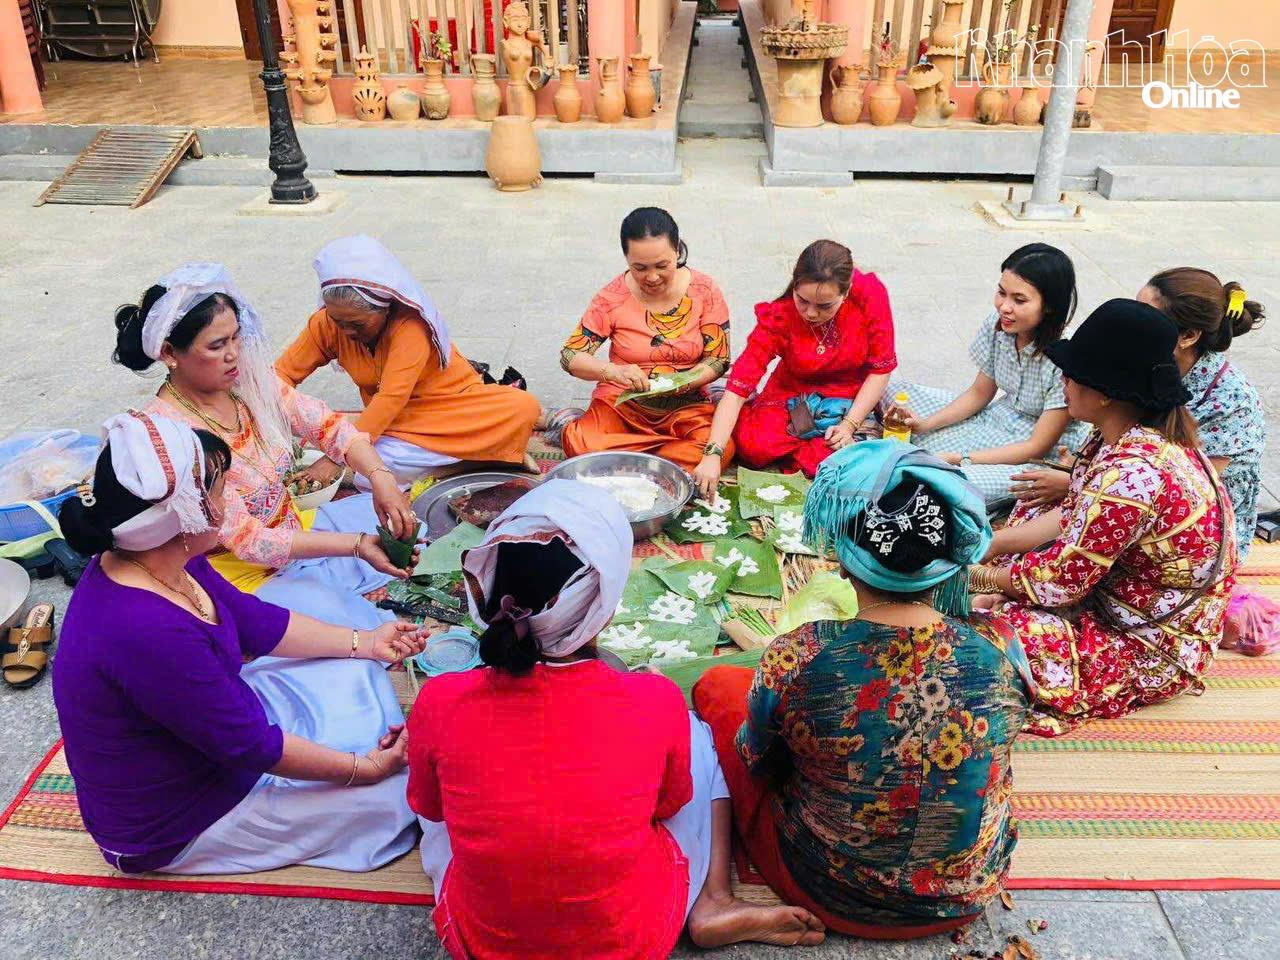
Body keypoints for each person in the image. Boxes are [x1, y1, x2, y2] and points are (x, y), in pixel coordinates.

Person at [407, 480, 825, 959]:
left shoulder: (439, 700)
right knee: (695, 732)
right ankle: (713, 899)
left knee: (437, 799)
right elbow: (668, 806)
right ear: (603, 610)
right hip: (630, 938)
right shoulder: (654, 699)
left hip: (485, 942)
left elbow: (433, 808)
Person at [53, 411, 426, 875]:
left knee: (343, 654)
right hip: (179, 819)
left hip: (215, 741)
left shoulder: (166, 555)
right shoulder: (145, 628)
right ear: (183, 512)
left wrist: (367, 642)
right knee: (395, 800)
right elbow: (250, 745)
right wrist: (363, 769)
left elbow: (250, 619)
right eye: (217, 488)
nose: (230, 499)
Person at [692, 441, 1033, 936]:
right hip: (964, 896)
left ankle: (713, 892)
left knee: (719, 688)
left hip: (830, 892)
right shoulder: (1000, 641)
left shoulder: (797, 655)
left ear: (843, 563)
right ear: (943, 566)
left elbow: (760, 763)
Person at [968, 299, 1237, 737]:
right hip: (1118, 597)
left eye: (1072, 373)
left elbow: (1059, 581)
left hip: (1150, 642)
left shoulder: (1131, 476)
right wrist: (990, 547)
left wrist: (974, 578)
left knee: (980, 641)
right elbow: (1071, 516)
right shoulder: (1125, 439)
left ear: (1106, 392)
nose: (1064, 380)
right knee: (1033, 506)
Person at [114, 263, 415, 625]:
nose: (234, 354)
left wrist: (381, 478)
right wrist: (355, 545)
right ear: (168, 353)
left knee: (404, 522)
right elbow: (249, 541)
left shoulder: (248, 382)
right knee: (356, 627)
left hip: (291, 529)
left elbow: (327, 425)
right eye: (217, 345)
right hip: (236, 572)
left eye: (237, 338)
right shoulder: (170, 433)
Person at [1011, 268, 1266, 557]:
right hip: (1130, 489)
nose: (1134, 320)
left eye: (1148, 313)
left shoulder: (1231, 401)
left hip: (1188, 531)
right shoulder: (1140, 371)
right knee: (1031, 511)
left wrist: (1076, 483)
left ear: (1189, 336)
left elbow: (1188, 492)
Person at [276, 235, 541, 490]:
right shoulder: (325, 324)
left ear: (384, 308)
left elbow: (391, 397)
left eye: (357, 324)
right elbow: (280, 376)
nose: (346, 331)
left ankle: (439, 469)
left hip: (451, 411)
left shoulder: (411, 326)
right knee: (374, 456)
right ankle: (474, 464)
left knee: (522, 407)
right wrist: (261, 423)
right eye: (338, 321)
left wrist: (335, 456)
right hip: (392, 424)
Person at [886, 243, 1088, 506]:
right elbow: (980, 393)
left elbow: (1036, 447)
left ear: (1049, 305)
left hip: (1039, 448)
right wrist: (925, 423)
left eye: (1019, 300)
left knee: (955, 483)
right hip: (998, 417)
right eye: (1001, 293)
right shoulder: (999, 327)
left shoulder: (1065, 353)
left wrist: (959, 458)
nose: (1004, 307)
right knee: (895, 392)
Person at [694, 240, 896, 499]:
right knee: (754, 446)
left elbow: (881, 369)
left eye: (825, 306)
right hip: (790, 392)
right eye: (803, 300)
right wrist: (713, 453)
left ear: (845, 294)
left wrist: (849, 425)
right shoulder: (780, 316)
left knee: (832, 460)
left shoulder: (869, 294)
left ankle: (830, 442)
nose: (810, 313)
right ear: (795, 283)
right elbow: (738, 387)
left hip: (847, 397)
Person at [559, 208, 734, 473]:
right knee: (581, 443)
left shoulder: (704, 290)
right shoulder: (611, 298)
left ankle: (628, 463)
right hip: (624, 405)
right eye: (639, 268)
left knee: (719, 448)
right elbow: (571, 356)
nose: (652, 277)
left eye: (662, 266)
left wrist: (684, 381)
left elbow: (719, 359)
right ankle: (661, 464)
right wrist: (613, 372)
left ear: (677, 251)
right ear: (626, 259)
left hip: (685, 407)